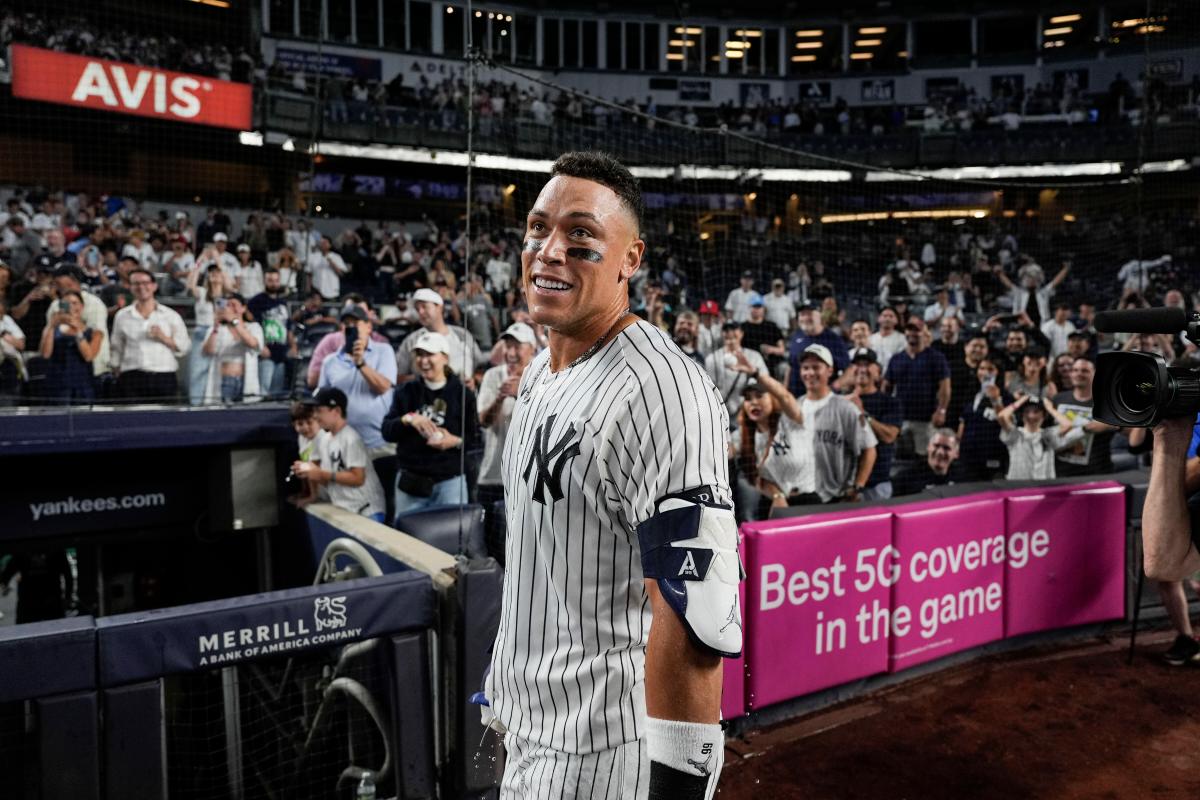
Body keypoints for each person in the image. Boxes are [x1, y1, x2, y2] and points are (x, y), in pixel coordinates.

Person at [484, 152, 740, 799]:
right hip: (528, 727)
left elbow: (694, 611)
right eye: (538, 229)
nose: (549, 251)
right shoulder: (540, 371)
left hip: (602, 749)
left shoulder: (664, 392)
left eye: (580, 235)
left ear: (631, 259)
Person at [381, 329, 479, 517]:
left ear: (445, 358)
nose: (423, 361)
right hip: (411, 482)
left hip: (449, 482)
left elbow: (475, 438)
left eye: (429, 354)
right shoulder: (406, 391)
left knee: (449, 535)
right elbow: (387, 432)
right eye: (419, 355)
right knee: (407, 535)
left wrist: (455, 441)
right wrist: (408, 419)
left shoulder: (463, 394)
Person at [317, 305, 398, 516]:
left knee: (388, 506)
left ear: (369, 326)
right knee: (352, 508)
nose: (351, 327)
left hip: (380, 446)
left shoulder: (384, 351)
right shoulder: (330, 362)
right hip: (346, 451)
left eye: (356, 323)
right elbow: (322, 403)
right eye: (347, 324)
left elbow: (383, 387)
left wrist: (360, 363)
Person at [1140, 414, 1200, 664]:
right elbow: (1160, 566)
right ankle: (1186, 638)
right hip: (1180, 494)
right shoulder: (1180, 413)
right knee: (1167, 575)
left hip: (1181, 487)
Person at [476, 322, 537, 563]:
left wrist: (521, 393)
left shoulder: (544, 375)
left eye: (517, 346)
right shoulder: (493, 376)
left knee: (526, 549)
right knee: (494, 550)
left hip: (528, 478)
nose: (510, 353)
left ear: (532, 349)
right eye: (507, 346)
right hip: (493, 475)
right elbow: (484, 421)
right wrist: (500, 397)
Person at [291, 387, 387, 522]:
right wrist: (308, 472)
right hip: (346, 509)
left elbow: (358, 478)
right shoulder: (324, 439)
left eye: (319, 411)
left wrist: (320, 473)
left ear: (336, 411)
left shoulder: (351, 438)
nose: (315, 416)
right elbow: (328, 481)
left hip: (367, 511)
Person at [733, 357, 812, 513]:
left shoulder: (789, 420)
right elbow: (725, 452)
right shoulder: (743, 434)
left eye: (759, 395)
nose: (753, 402)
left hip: (808, 499)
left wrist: (756, 373)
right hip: (773, 502)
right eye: (748, 399)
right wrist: (777, 495)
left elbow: (785, 396)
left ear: (772, 398)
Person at [110, 269, 190, 401]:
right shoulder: (122, 316)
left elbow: (184, 347)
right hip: (131, 376)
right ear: (130, 287)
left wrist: (164, 338)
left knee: (166, 414)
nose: (141, 287)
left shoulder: (171, 315)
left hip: (164, 376)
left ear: (154, 286)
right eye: (136, 283)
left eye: (145, 283)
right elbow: (116, 347)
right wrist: (116, 370)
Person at [883, 319, 951, 457]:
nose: (912, 333)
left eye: (917, 330)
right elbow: (886, 387)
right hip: (900, 419)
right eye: (909, 330)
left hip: (925, 419)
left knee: (924, 458)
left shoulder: (936, 358)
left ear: (925, 333)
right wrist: (886, 411)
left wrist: (941, 410)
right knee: (899, 458)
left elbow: (944, 387)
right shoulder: (897, 358)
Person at [396, 287, 487, 386]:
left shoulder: (462, 335)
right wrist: (426, 379)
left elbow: (481, 368)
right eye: (417, 309)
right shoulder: (411, 341)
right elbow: (398, 377)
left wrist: (474, 380)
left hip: (462, 394)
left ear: (439, 307)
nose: (420, 312)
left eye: (424, 307)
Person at [846, 348, 902, 501]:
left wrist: (863, 414)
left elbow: (889, 436)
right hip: (844, 484)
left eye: (867, 364)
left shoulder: (889, 402)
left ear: (878, 372)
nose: (862, 369)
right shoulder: (841, 401)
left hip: (875, 485)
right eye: (858, 365)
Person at [1053, 357, 1119, 478]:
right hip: (1060, 472)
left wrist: (1108, 424)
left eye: (1085, 371)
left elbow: (1128, 429)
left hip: (1097, 473)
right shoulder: (1058, 399)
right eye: (1075, 370)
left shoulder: (1107, 403)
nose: (1079, 374)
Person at [38, 290, 103, 405]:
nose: (71, 307)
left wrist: (77, 330)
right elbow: (45, 354)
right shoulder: (52, 330)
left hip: (82, 386)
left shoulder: (95, 332)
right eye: (67, 304)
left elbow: (88, 356)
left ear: (82, 307)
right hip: (57, 385)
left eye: (75, 303)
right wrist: (51, 326)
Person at [997, 395, 1083, 480]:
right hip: (1019, 486)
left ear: (1044, 416)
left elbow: (1068, 425)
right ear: (1022, 415)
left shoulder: (1048, 434)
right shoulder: (1016, 435)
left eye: (1036, 411)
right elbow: (1001, 416)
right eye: (1027, 411)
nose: (1031, 416)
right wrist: (1019, 402)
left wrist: (1050, 409)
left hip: (1044, 485)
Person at [200, 293, 263, 403]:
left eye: (234, 305)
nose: (230, 308)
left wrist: (234, 321)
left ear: (243, 308)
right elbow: (208, 351)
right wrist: (215, 327)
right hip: (224, 382)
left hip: (246, 381)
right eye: (227, 305)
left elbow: (253, 344)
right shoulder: (217, 329)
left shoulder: (253, 327)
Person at [957, 357, 1012, 480]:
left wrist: (995, 400)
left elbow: (1008, 425)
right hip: (968, 458)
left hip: (993, 459)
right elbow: (963, 422)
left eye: (990, 369)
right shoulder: (971, 393)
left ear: (998, 373)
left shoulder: (1007, 398)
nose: (985, 373)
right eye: (981, 368)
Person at [248, 267, 297, 400]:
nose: (273, 284)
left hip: (282, 351)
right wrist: (261, 346)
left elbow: (288, 327)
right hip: (266, 352)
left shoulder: (283, 303)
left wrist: (293, 346)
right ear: (264, 280)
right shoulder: (256, 301)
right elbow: (251, 326)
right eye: (270, 280)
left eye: (276, 280)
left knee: (277, 392)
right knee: (263, 391)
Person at [705, 321, 767, 422]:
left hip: (745, 412)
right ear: (722, 334)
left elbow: (765, 382)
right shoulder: (711, 359)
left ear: (742, 333)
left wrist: (752, 372)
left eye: (733, 329)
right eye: (726, 330)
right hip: (719, 413)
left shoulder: (754, 356)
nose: (730, 332)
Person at [786, 302, 850, 396]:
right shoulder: (796, 336)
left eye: (809, 314)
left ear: (820, 316)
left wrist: (834, 387)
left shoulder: (834, 339)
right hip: (796, 397)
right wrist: (785, 390)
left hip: (822, 399)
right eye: (802, 315)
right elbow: (790, 365)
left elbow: (849, 369)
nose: (805, 318)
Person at [893, 428, 965, 496]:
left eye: (946, 448)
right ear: (928, 447)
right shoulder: (905, 479)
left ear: (956, 454)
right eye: (936, 446)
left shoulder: (963, 477)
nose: (940, 452)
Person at [741, 295, 787, 376]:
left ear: (763, 309)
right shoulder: (742, 327)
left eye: (759, 307)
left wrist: (771, 349)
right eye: (754, 306)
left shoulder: (772, 326)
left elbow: (782, 350)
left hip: (770, 364)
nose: (756, 309)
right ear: (749, 308)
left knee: (783, 367)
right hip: (749, 363)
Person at [869, 306, 906, 371]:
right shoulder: (871, 339)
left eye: (891, 316)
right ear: (878, 319)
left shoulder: (902, 339)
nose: (887, 319)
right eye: (885, 316)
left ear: (896, 320)